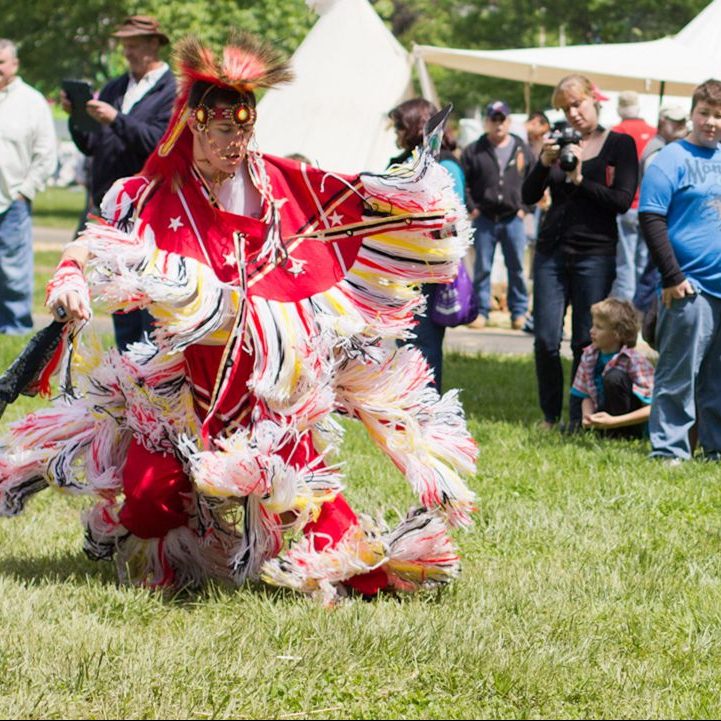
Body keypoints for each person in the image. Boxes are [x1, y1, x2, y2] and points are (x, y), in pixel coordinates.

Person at [0, 32, 476, 605]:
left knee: (304, 495)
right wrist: (71, 281)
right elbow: (91, 245)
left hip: (265, 381)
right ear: (195, 126)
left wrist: (416, 210)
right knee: (150, 504)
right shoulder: (152, 195)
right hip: (181, 386)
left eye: (245, 130)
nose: (238, 143)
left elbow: (343, 204)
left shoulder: (271, 183)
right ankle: (196, 553)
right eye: (226, 130)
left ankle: (349, 569)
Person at [522, 74, 638, 431]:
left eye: (577, 103)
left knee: (586, 339)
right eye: (564, 107)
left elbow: (621, 201)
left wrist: (580, 182)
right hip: (552, 251)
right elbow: (527, 196)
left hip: (595, 253)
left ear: (593, 99)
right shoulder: (558, 145)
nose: (572, 113)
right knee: (545, 339)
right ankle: (549, 414)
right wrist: (543, 162)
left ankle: (578, 416)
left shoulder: (619, 143)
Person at [60, 15, 176, 351]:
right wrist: (76, 116)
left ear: (154, 44)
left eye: (135, 43)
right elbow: (92, 143)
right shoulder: (114, 87)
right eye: (125, 44)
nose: (127, 51)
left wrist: (116, 119)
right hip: (110, 207)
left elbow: (160, 144)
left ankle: (151, 365)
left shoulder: (172, 91)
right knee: (119, 295)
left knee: (148, 296)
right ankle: (128, 364)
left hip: (149, 210)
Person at [639, 79, 721, 462]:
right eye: (705, 113)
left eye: (719, 115)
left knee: (716, 377)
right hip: (689, 287)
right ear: (692, 113)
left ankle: (714, 447)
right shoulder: (670, 158)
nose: (711, 122)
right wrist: (672, 277)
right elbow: (651, 218)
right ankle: (669, 449)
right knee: (678, 375)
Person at [388, 97, 467, 391]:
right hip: (400, 266)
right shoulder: (401, 164)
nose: (396, 134)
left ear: (413, 127)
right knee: (405, 338)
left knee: (425, 342)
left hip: (429, 268)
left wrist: (421, 235)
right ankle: (409, 399)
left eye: (399, 127)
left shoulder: (445, 165)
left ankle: (428, 406)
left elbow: (453, 221)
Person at [0, 39, 57, 335]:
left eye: (0, 63)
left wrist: (26, 191)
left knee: (12, 271)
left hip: (12, 200)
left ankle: (15, 327)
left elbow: (46, 153)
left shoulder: (31, 101)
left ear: (14, 65)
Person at [462, 100, 534, 330]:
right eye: (493, 119)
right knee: (482, 267)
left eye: (502, 119)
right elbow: (462, 182)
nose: (498, 124)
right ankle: (481, 311)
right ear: (486, 122)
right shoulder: (474, 150)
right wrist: (471, 207)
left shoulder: (522, 148)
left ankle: (519, 312)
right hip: (484, 216)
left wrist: (526, 208)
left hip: (513, 216)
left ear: (509, 121)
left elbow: (535, 179)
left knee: (517, 267)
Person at [633, 103, 689, 313]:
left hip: (663, 221)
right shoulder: (658, 152)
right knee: (652, 273)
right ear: (663, 122)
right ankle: (638, 318)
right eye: (676, 122)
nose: (681, 127)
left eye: (683, 122)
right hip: (659, 222)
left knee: (649, 270)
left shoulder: (666, 147)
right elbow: (658, 198)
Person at [572, 297, 654, 438]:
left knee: (614, 377)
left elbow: (653, 407)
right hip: (604, 416)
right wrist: (588, 416)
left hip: (629, 423)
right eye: (593, 325)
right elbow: (585, 395)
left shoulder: (634, 361)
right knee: (571, 428)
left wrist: (614, 422)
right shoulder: (589, 355)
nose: (592, 331)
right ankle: (603, 432)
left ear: (618, 333)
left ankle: (621, 435)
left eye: (599, 327)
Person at [610, 90, 656, 302]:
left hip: (626, 203)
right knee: (643, 259)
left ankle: (626, 307)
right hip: (650, 205)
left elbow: (608, 173)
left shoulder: (616, 131)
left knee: (625, 260)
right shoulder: (653, 132)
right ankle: (639, 304)